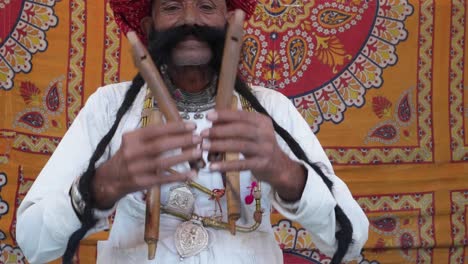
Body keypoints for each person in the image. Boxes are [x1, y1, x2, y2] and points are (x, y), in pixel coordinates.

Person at [16, 0, 369, 263]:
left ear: (230, 22)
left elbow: (352, 240)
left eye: (205, 6)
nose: (189, 20)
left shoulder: (270, 109)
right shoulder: (108, 107)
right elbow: (32, 242)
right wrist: (103, 185)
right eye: (171, 7)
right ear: (149, 28)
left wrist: (287, 173)